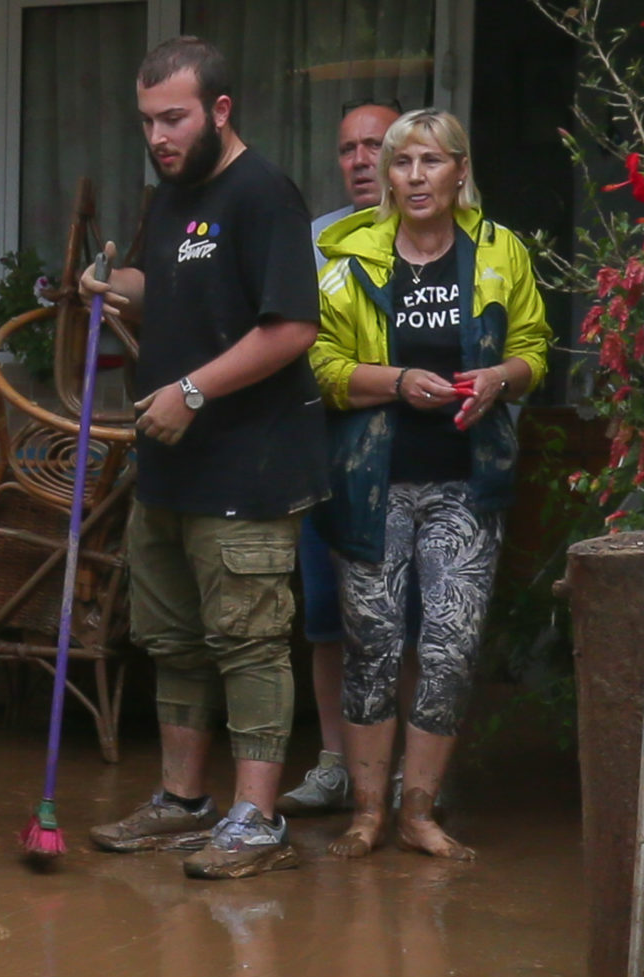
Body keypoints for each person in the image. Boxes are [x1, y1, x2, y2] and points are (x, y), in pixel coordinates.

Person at [79, 38, 326, 879]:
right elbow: (174, 290)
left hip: (247, 465)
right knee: (172, 637)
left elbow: (291, 323)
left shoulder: (265, 196)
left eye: (174, 118)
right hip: (171, 465)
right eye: (148, 121)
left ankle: (257, 818)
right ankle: (183, 802)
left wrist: (192, 390)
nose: (159, 136)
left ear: (220, 110)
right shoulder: (172, 196)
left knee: (250, 640)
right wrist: (112, 286)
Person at [310, 108, 551, 861]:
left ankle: (418, 812)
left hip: (464, 484)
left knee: (447, 647)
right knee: (372, 645)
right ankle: (366, 814)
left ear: (459, 170)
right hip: (371, 485)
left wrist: (498, 381)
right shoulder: (347, 258)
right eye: (402, 164)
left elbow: (533, 347)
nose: (416, 178)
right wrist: (394, 382)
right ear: (387, 177)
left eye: (431, 162)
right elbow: (318, 366)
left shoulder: (498, 251)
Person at [280, 99, 401, 819]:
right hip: (324, 450)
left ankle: (411, 773)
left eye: (375, 145)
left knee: (409, 622)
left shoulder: (443, 240)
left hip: (413, 457)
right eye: (349, 148)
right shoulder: (316, 238)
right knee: (328, 618)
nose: (361, 160)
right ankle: (334, 763)